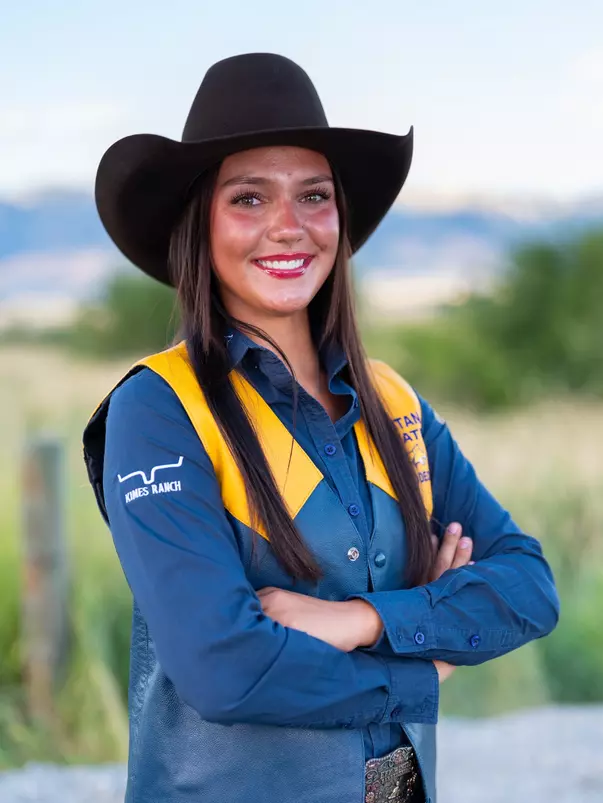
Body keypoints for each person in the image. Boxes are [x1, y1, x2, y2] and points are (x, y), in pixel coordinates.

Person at [82, 53, 560, 803]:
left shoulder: (390, 402)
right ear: (198, 222)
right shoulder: (159, 409)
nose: (288, 227)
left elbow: (527, 587)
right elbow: (223, 666)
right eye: (247, 198)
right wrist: (420, 659)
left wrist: (358, 617)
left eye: (313, 195)